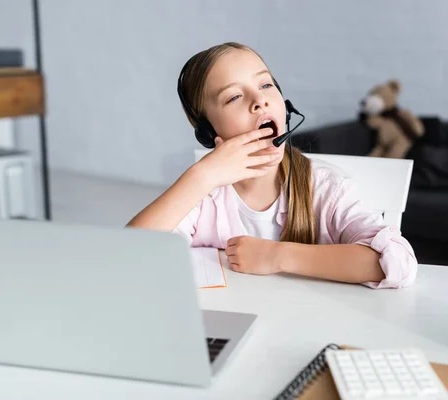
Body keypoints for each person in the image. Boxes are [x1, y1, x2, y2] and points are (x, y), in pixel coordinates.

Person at [126, 42, 417, 289]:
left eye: (265, 84)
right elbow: (125, 256)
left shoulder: (325, 188)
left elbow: (397, 262)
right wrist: (202, 175)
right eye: (234, 97)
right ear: (207, 131)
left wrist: (279, 256)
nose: (259, 101)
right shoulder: (203, 195)